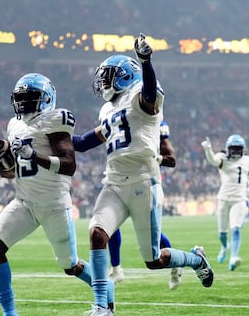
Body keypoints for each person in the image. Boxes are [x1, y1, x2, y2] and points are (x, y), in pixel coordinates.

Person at [77, 34, 214, 316]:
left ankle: (195, 260)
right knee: (97, 233)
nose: (103, 83)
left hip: (143, 181)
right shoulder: (108, 109)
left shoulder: (142, 95)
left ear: (125, 76)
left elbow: (150, 94)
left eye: (108, 77)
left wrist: (146, 61)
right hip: (113, 182)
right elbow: (84, 142)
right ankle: (103, 307)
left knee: (153, 260)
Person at [0, 72, 115, 316]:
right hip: (25, 201)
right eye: (21, 99)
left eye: (30, 98)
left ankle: (105, 287)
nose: (24, 104)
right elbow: (15, 172)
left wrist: (34, 154)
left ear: (46, 99)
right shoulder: (14, 125)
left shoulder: (55, 119)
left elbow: (68, 165)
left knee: (70, 265)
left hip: (54, 204)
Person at [75, 120, 181, 289]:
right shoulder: (116, 116)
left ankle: (175, 262)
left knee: (153, 240)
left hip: (144, 183)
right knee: (106, 228)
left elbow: (171, 160)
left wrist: (154, 157)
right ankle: (116, 269)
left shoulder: (153, 121)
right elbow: (84, 142)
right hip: (118, 181)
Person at [201, 134, 249, 271]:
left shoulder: (248, 160)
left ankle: (234, 258)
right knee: (222, 232)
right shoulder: (222, 158)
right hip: (224, 199)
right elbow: (213, 161)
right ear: (228, 148)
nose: (236, 151)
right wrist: (208, 149)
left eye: (238, 148)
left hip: (239, 199)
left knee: (236, 229)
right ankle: (225, 246)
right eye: (234, 148)